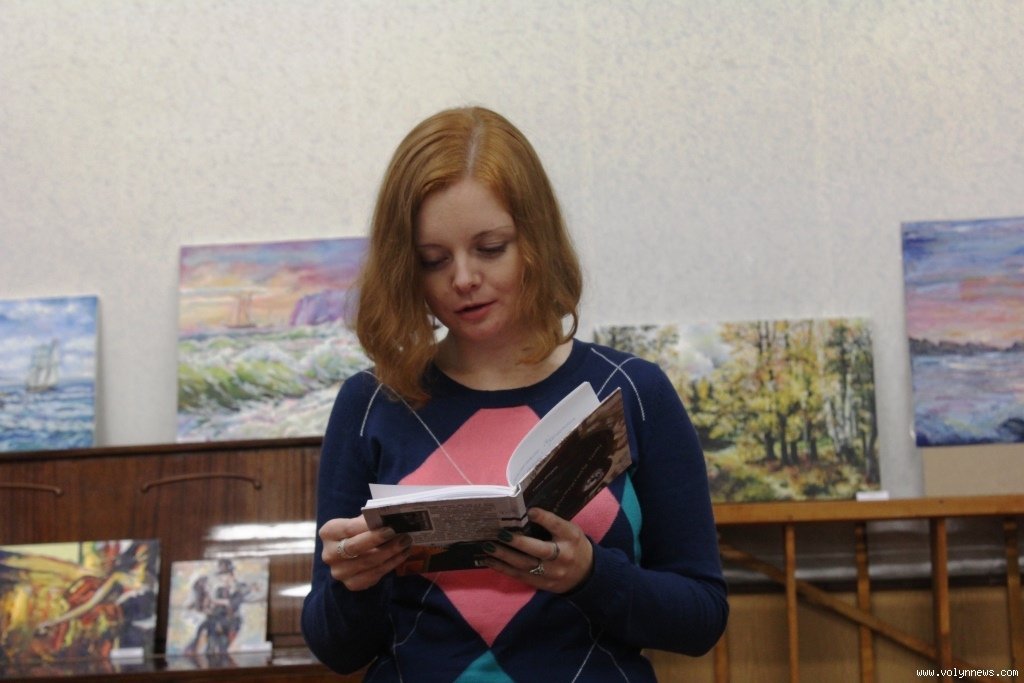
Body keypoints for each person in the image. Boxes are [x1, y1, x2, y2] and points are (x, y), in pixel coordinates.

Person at [301, 106, 728, 681]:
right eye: (433, 260)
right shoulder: (372, 403)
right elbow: (336, 649)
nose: (462, 279)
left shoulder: (631, 390)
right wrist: (353, 583)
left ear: (535, 239)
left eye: (490, 247)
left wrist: (589, 576)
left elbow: (701, 619)